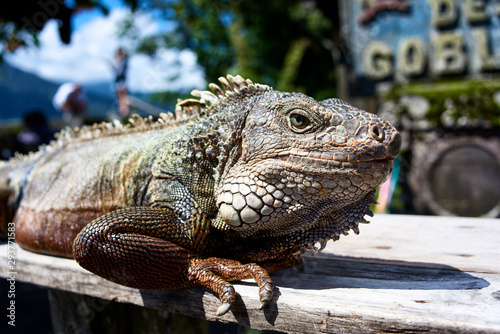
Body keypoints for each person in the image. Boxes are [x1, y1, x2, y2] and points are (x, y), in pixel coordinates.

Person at [111, 47, 130, 117]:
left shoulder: (124, 60)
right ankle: (123, 112)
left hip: (122, 82)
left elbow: (119, 72)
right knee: (120, 98)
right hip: (119, 82)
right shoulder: (118, 61)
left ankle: (125, 111)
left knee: (123, 97)